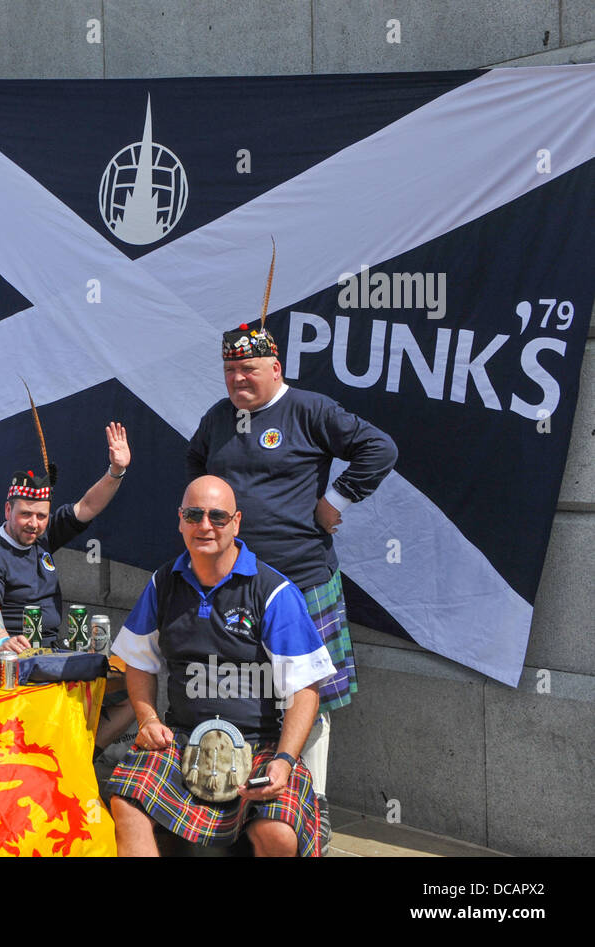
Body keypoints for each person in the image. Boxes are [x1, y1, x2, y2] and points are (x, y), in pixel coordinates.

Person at [186, 315, 397, 851]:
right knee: (252, 695)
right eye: (230, 370)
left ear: (275, 366)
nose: (238, 380)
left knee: (310, 699)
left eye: (249, 369)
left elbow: (380, 448)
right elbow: (196, 473)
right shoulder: (218, 418)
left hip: (301, 582)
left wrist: (335, 502)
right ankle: (247, 806)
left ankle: (313, 805)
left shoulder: (310, 409)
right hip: (236, 585)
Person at [107, 476, 336, 857]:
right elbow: (137, 660)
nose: (205, 526)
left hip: (259, 745)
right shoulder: (163, 582)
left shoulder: (273, 591)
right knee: (126, 804)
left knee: (277, 833)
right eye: (194, 515)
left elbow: (306, 688)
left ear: (236, 522)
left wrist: (283, 760)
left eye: (217, 516)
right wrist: (147, 721)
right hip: (181, 739)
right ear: (180, 520)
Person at [0, 422, 130, 653]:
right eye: (25, 514)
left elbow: (88, 505)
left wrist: (116, 471)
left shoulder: (42, 534)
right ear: (7, 511)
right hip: (9, 658)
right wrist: (3, 640)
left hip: (50, 651)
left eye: (41, 516)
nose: (34, 524)